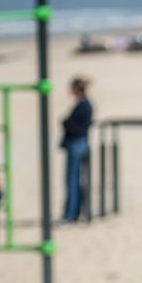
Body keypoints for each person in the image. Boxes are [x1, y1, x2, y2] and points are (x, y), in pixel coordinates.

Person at [60, 75, 94, 223]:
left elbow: (77, 127)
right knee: (76, 180)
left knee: (72, 181)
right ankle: (75, 212)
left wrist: (66, 123)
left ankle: (71, 214)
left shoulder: (84, 105)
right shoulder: (84, 104)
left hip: (77, 144)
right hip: (80, 143)